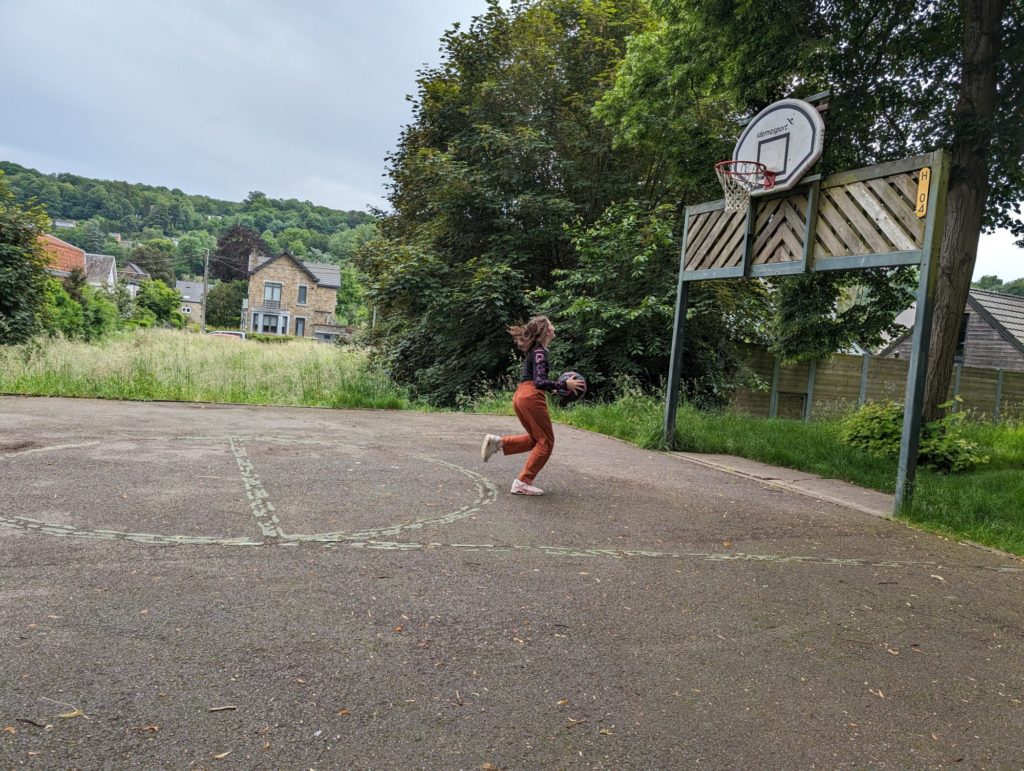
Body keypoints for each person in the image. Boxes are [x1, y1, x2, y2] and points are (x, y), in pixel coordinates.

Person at [480, 316, 582, 496]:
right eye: (551, 324)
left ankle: (498, 443)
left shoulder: (536, 352)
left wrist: (556, 389)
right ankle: (522, 482)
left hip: (521, 395)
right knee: (546, 442)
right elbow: (540, 382)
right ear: (545, 331)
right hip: (531, 396)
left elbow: (537, 381)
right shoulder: (540, 353)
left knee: (536, 439)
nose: (554, 326)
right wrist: (564, 385)